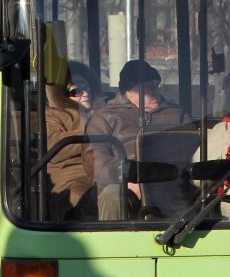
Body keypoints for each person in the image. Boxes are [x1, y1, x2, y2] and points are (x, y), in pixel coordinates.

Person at [83, 59, 192, 220]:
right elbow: (96, 163)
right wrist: (131, 178)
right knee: (113, 196)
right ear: (129, 89)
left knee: (204, 193)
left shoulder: (177, 114)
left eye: (156, 84)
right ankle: (114, 242)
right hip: (126, 184)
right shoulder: (104, 118)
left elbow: (192, 148)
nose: (155, 90)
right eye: (148, 86)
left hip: (172, 181)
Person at [45, 64, 102, 221]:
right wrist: (93, 132)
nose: (84, 93)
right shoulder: (52, 115)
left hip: (108, 171)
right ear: (62, 95)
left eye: (86, 87)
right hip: (73, 175)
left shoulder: (105, 112)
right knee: (82, 197)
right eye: (76, 90)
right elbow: (53, 147)